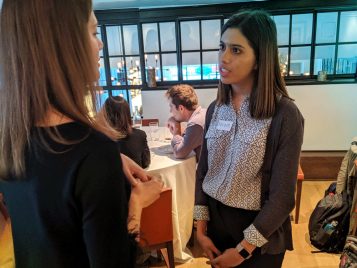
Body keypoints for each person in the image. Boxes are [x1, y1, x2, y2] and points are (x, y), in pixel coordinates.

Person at [0, 0, 163, 267]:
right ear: (64, 45)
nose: (100, 45)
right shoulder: (94, 151)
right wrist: (137, 203)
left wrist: (111, 162)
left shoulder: (10, 137)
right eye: (94, 33)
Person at [194, 10, 304, 268]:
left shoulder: (284, 115)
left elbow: (283, 197)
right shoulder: (215, 109)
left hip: (259, 232)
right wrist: (199, 228)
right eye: (222, 47)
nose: (224, 58)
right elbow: (204, 170)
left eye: (236, 50)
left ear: (259, 59)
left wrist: (243, 251)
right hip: (216, 225)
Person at [102, 96, 151, 168]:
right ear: (128, 113)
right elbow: (145, 162)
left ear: (105, 114)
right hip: (137, 178)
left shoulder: (100, 139)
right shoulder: (140, 135)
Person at [165, 84, 206, 161]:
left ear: (181, 108)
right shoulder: (202, 113)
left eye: (171, 107)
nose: (170, 111)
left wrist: (176, 132)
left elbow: (179, 153)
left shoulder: (196, 123)